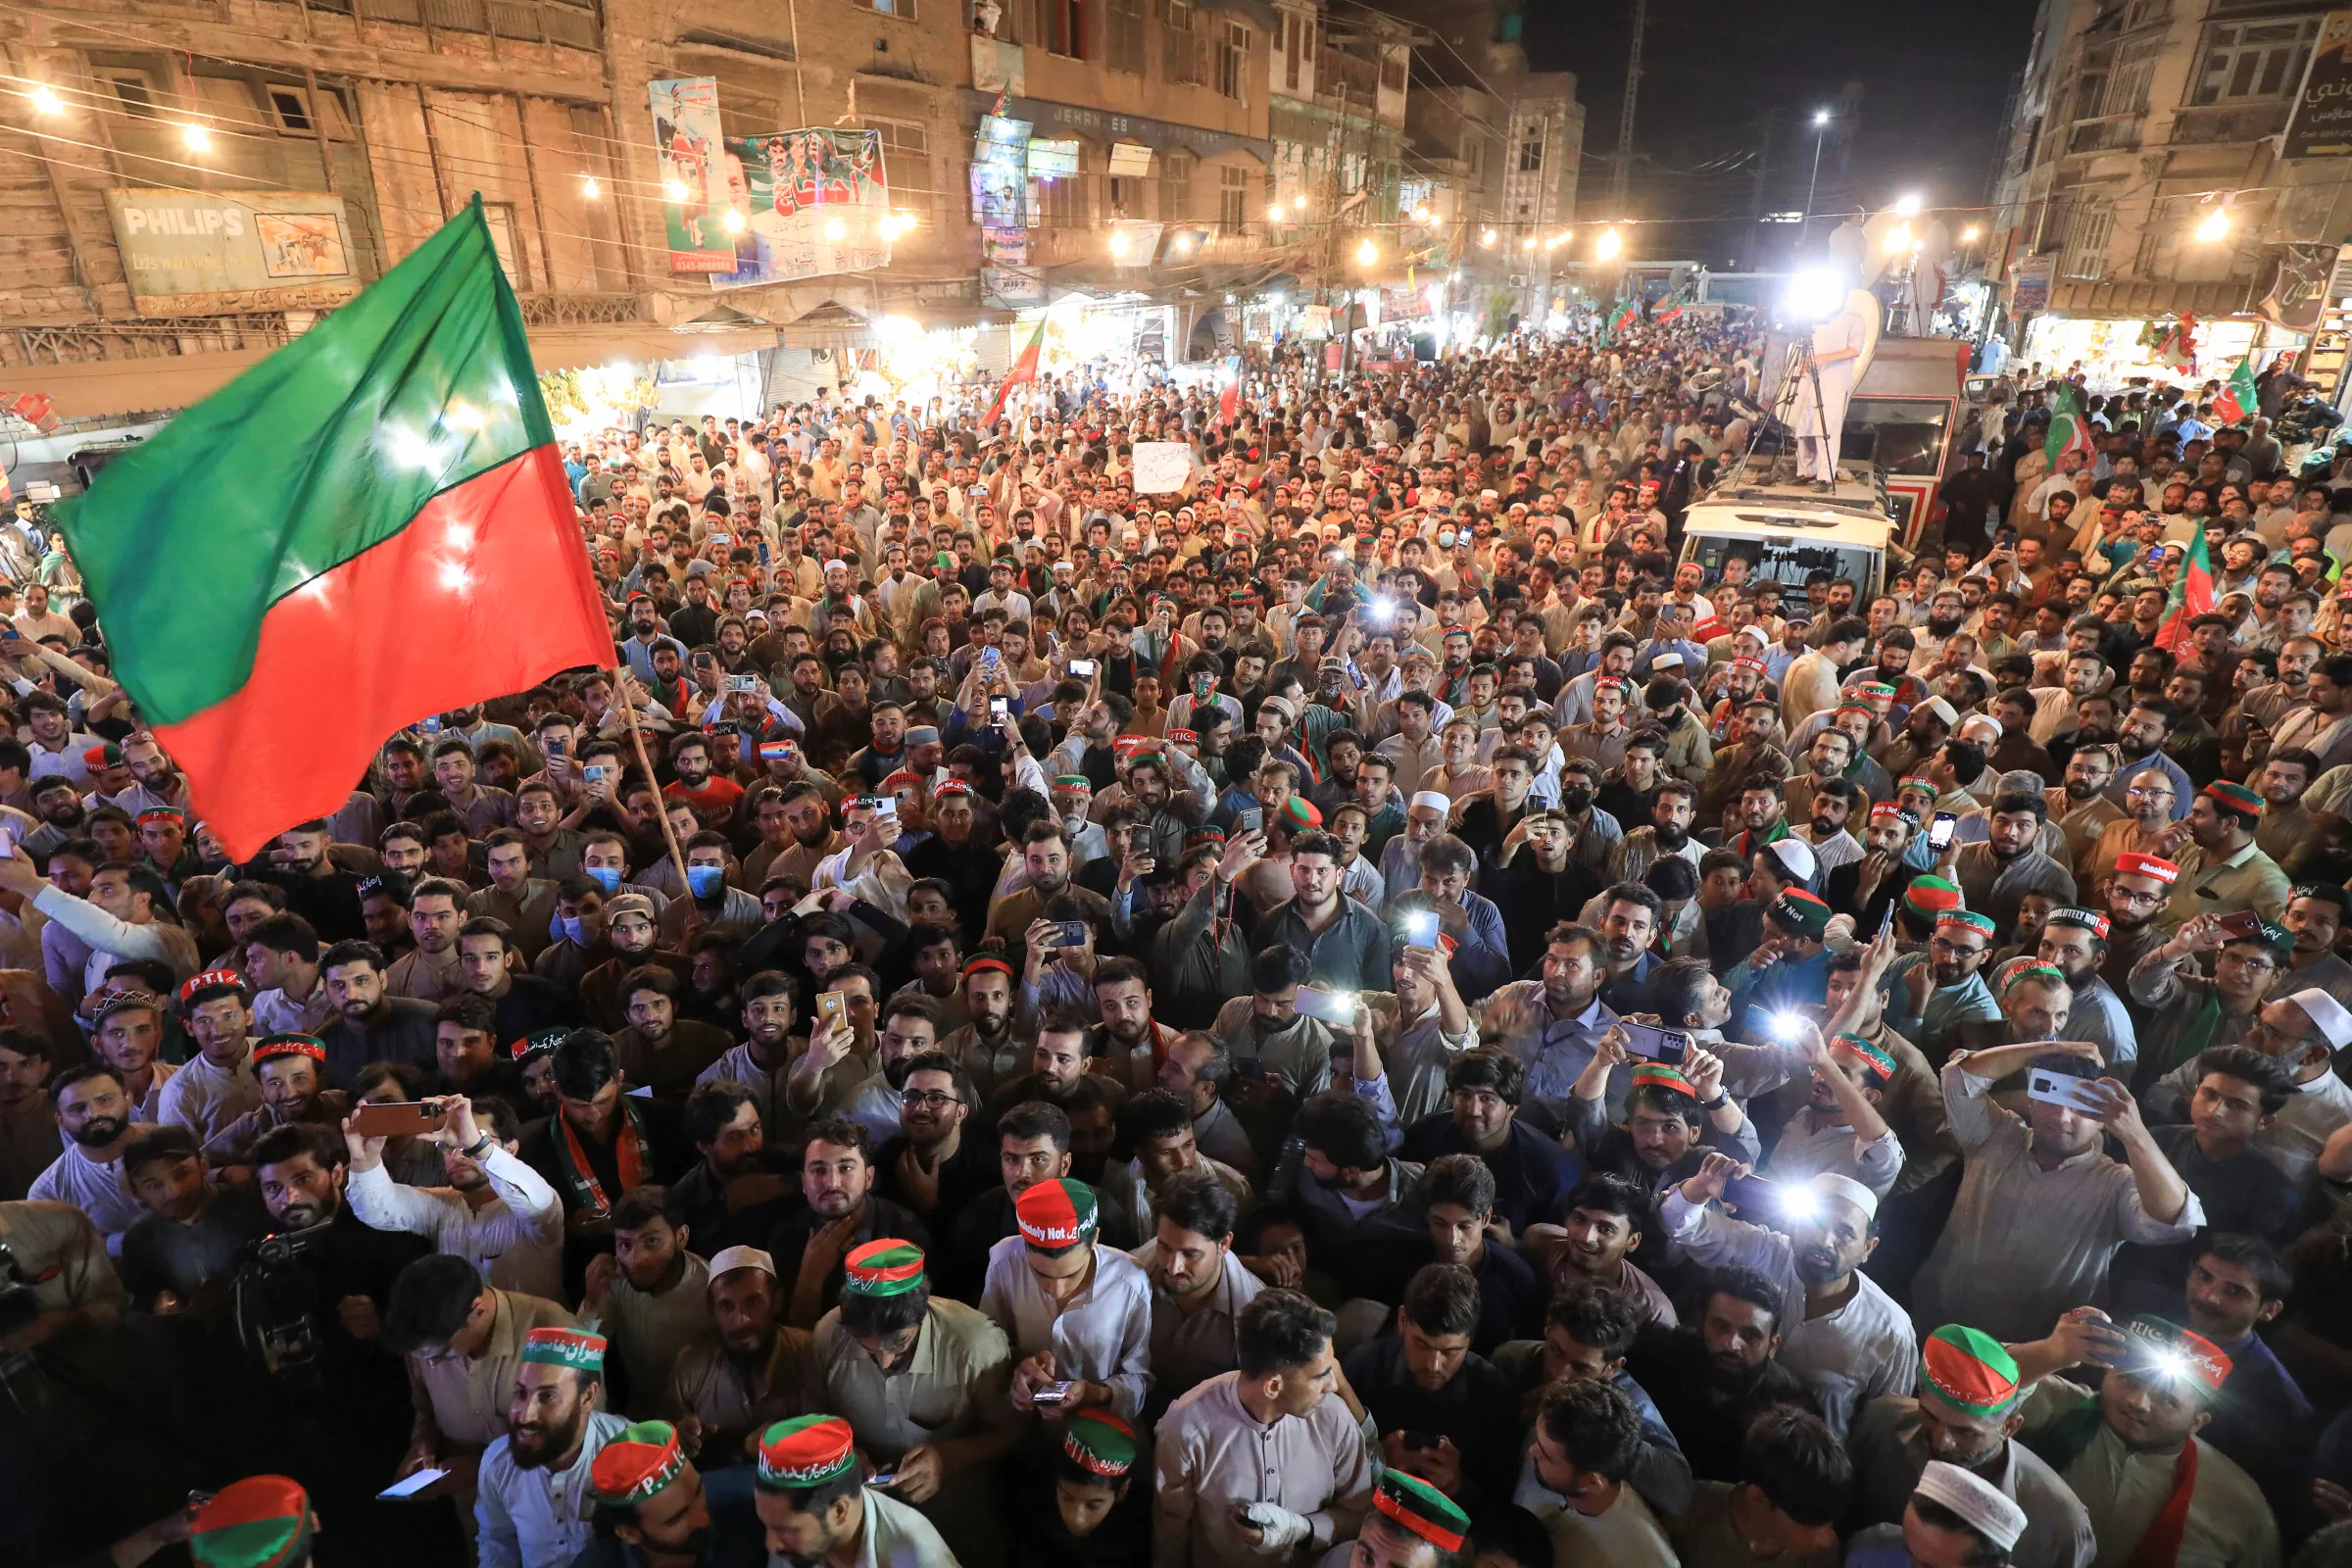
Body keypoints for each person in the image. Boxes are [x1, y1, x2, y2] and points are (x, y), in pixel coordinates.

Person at [1913, 1040, 2199, 1342]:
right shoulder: (1995, 1135)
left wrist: (2136, 1134)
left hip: (2035, 1352)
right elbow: (1960, 1078)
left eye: (2080, 1107)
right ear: (2032, 1100)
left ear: (2103, 1117)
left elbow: (2175, 1221)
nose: (2062, 1117)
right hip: (1940, 1322)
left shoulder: (2115, 1183)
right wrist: (2051, 1048)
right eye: (2051, 1098)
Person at [1662, 1156, 1916, 1440]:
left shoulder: (1891, 1330)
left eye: (1844, 1234)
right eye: (1815, 1224)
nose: (1824, 1241)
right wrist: (1701, 1186)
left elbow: (1887, 1429)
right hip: (1719, 1433)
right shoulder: (1765, 1250)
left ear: (1868, 1248)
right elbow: (1680, 1224)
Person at [2010, 1315, 2278, 1568]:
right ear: (2107, 1373)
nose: (2138, 1402)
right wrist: (2048, 1353)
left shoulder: (2238, 1503)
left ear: (2198, 1422)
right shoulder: (2061, 1405)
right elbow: (1981, 1375)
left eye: (2166, 1399)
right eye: (2128, 1380)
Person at [1152, 1288, 1375, 1567]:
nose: (1333, 1386)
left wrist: (1301, 1529)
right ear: (1273, 1387)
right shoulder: (1188, 1427)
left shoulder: (1334, 1418)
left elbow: (1362, 1519)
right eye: (1320, 1376)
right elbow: (1171, 1532)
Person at [1844, 1324, 2096, 1568]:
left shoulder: (2060, 1523)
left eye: (1965, 1432)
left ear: (2009, 1426)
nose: (1941, 1442)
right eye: (1930, 1417)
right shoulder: (1881, 1425)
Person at [750, 1414, 960, 1566]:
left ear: (839, 1511)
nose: (771, 1545)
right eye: (768, 1526)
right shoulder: (790, 1537)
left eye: (787, 1530)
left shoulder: (917, 1556)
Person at [1519, 1374, 1678, 1568]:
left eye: (1546, 1454)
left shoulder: (1643, 1560)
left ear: (1592, 1482)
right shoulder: (1550, 1466)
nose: (1532, 1450)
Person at [579, 1418, 767, 1568]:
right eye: (677, 1518)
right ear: (629, 1533)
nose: (704, 1519)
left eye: (699, 1491)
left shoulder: (756, 1502)